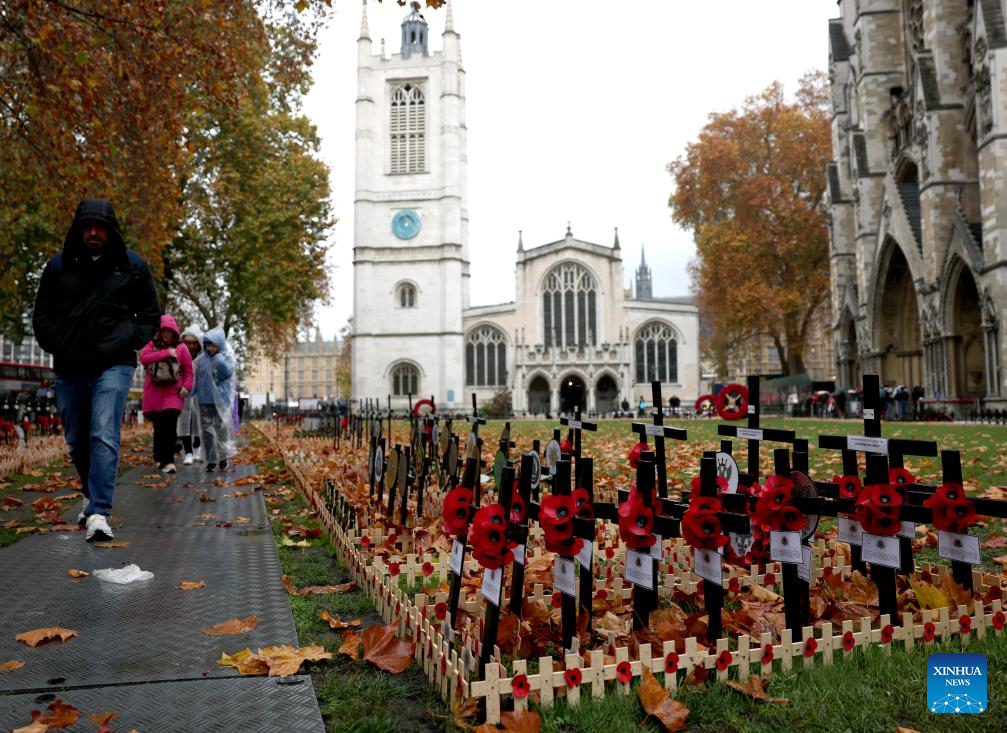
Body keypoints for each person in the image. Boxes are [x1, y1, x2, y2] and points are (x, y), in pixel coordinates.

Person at [32, 199, 160, 541]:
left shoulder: (132, 266)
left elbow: (150, 315)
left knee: (104, 432)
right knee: (77, 440)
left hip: (113, 364)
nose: (93, 233)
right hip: (70, 366)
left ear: (111, 229)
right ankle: (90, 495)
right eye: (87, 226)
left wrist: (124, 340)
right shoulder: (58, 267)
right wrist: (60, 342)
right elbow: (42, 315)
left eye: (100, 227)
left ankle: (100, 513)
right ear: (78, 229)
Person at [139, 315, 193, 473]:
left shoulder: (182, 348)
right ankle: (159, 458)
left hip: (173, 393)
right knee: (159, 427)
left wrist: (186, 388)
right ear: (160, 331)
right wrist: (167, 353)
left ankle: (169, 462)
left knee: (169, 425)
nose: (166, 334)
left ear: (174, 331)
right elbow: (144, 358)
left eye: (169, 331)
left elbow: (189, 371)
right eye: (163, 331)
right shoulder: (152, 344)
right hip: (154, 393)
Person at [193, 327, 236, 472]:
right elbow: (196, 378)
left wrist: (218, 358)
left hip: (221, 401)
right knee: (206, 433)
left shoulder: (226, 357)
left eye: (213, 345)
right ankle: (211, 459)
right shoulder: (201, 360)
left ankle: (223, 458)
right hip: (204, 401)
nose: (210, 348)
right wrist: (190, 392)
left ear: (220, 344)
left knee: (221, 431)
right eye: (208, 345)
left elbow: (227, 373)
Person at [176, 325, 203, 464]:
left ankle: (197, 448)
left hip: (199, 394)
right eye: (187, 342)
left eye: (193, 342)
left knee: (198, 422)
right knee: (184, 422)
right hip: (183, 393)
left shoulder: (202, 358)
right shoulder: (178, 355)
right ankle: (188, 452)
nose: (190, 346)